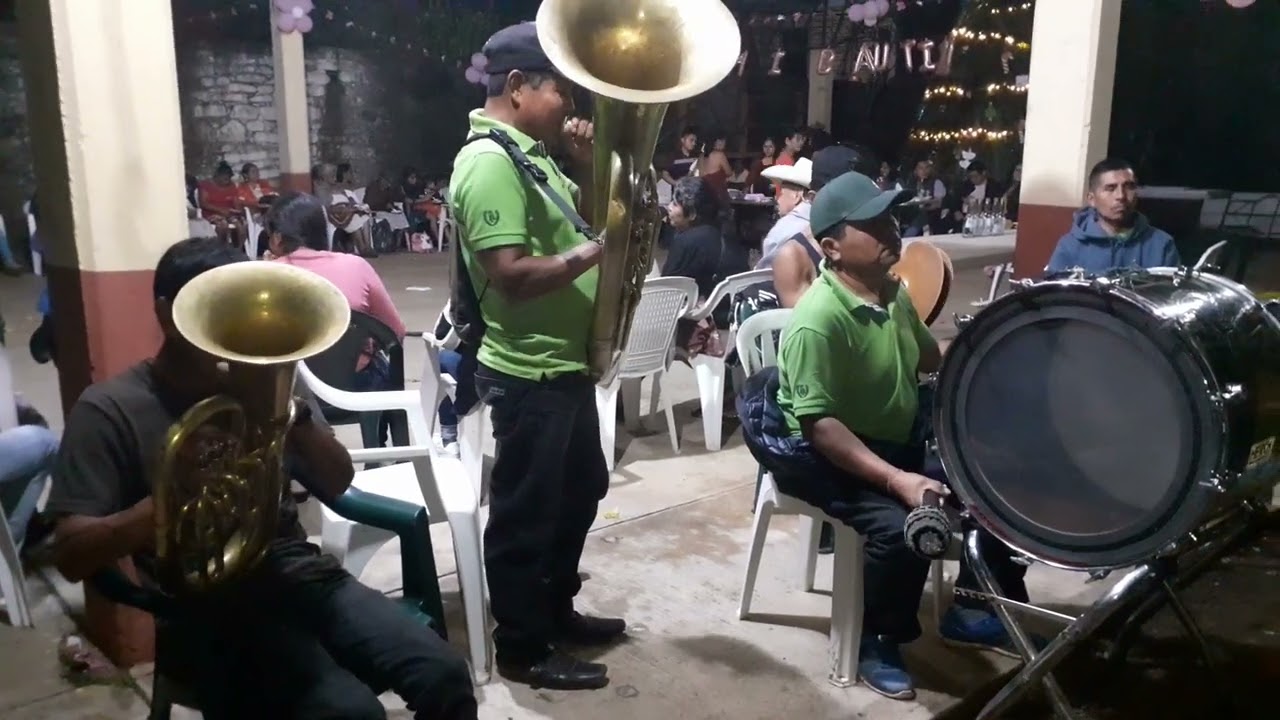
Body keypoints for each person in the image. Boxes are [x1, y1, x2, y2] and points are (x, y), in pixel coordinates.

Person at [44, 237, 477, 720]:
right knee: (350, 713)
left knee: (443, 675)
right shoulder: (110, 409)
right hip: (201, 604)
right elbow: (70, 554)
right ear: (167, 315)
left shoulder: (258, 380)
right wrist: (166, 503)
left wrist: (290, 416)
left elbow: (337, 482)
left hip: (297, 571)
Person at [772, 172, 1032, 700]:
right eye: (873, 225)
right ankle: (876, 640)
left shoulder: (890, 292)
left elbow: (929, 359)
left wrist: (982, 336)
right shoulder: (817, 321)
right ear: (832, 248)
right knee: (905, 526)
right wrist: (898, 481)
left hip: (890, 435)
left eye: (890, 218)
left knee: (992, 479)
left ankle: (974, 606)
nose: (892, 231)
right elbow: (820, 428)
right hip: (824, 452)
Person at [449, 21, 624, 691]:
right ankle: (522, 644)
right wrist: (599, 248)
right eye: (565, 94)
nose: (573, 111)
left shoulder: (532, 152)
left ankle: (555, 609)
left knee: (581, 490)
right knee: (526, 511)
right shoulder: (490, 162)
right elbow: (513, 276)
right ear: (518, 87)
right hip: (528, 371)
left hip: (563, 365)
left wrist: (584, 171)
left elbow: (566, 220)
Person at [265, 192, 407, 450]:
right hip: (355, 386)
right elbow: (396, 331)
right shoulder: (356, 266)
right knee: (382, 365)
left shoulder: (264, 277)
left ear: (276, 238)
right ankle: (379, 446)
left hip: (289, 392)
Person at [1045, 158, 1179, 276]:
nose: (1121, 196)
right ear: (1092, 199)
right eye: (1110, 188)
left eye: (1129, 187)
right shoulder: (1070, 246)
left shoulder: (1161, 245)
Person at [754, 159, 812, 270]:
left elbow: (765, 274)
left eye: (781, 193)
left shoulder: (784, 228)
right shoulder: (824, 222)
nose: (777, 198)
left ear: (796, 196)